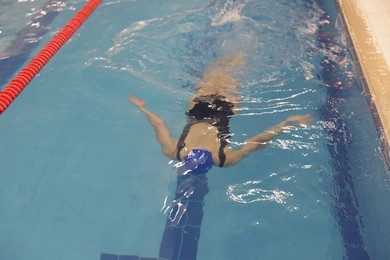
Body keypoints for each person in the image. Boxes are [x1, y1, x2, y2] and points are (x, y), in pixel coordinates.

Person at [128, 53, 314, 174]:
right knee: (217, 71)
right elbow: (158, 124)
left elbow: (257, 142)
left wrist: (287, 123)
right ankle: (238, 44)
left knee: (233, 70)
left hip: (225, 110)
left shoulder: (225, 160)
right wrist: (142, 107)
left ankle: (242, 48)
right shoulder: (174, 152)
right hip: (198, 108)